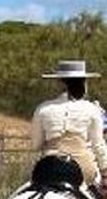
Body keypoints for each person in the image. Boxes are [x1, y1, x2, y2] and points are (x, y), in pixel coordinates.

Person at [31, 59, 107, 189]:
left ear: (60, 83)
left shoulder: (43, 109)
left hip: (49, 168)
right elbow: (98, 145)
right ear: (83, 84)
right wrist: (105, 172)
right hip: (83, 169)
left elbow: (35, 145)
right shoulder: (92, 109)